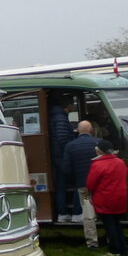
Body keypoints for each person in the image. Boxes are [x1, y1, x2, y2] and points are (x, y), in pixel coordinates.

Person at [87, 138, 128, 256]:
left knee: (109, 225)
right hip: (120, 198)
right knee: (117, 224)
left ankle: (114, 250)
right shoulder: (120, 162)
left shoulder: (97, 165)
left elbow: (90, 184)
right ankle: (123, 249)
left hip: (105, 198)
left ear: (99, 151)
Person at [62, 120, 100, 249]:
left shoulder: (70, 146)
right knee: (104, 211)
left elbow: (67, 168)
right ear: (91, 130)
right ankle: (111, 238)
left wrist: (74, 181)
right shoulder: (98, 143)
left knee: (88, 214)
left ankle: (92, 243)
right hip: (100, 185)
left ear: (77, 131)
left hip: (82, 184)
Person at [48, 94, 76, 222]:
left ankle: (62, 212)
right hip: (62, 157)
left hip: (58, 156)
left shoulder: (57, 116)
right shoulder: (61, 118)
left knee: (61, 185)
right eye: (73, 103)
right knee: (69, 184)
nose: (74, 106)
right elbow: (62, 138)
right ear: (68, 105)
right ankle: (66, 212)